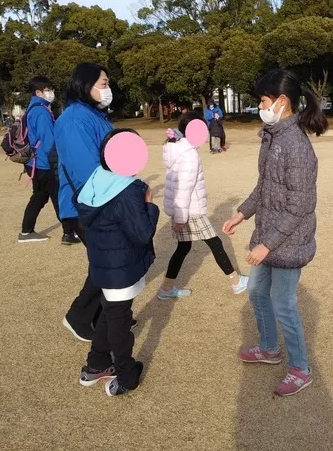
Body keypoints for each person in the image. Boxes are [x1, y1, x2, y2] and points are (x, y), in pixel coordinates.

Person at [222, 69, 328, 397]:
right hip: (268, 235)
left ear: (282, 102)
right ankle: (269, 347)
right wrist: (242, 213)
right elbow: (264, 186)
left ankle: (300, 368)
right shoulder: (272, 136)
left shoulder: (296, 145)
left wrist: (267, 245)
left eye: (263, 101)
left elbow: (300, 206)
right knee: (255, 292)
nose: (260, 106)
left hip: (287, 242)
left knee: (284, 304)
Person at [76, 128, 158, 397]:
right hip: (120, 267)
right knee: (119, 320)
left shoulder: (97, 180)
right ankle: (125, 374)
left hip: (103, 263)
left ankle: (96, 364)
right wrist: (150, 205)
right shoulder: (129, 190)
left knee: (110, 312)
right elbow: (142, 232)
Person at [55, 62, 115, 343]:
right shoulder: (75, 119)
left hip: (105, 199)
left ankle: (107, 315)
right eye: (103, 84)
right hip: (87, 204)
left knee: (109, 259)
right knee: (108, 260)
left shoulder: (96, 115)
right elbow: (87, 172)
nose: (108, 90)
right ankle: (79, 316)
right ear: (85, 85)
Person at [158, 114, 248, 299]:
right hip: (189, 211)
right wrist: (181, 218)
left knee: (183, 248)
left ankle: (166, 289)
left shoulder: (176, 149)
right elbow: (184, 187)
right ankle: (236, 282)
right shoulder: (189, 155)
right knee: (215, 243)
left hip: (182, 210)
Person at [18, 76, 79, 245]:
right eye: (48, 89)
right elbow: (49, 140)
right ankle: (69, 232)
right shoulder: (41, 111)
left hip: (34, 163)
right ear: (39, 92)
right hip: (44, 163)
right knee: (58, 195)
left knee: (40, 196)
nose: (51, 92)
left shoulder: (33, 108)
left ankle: (26, 231)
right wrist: (56, 161)